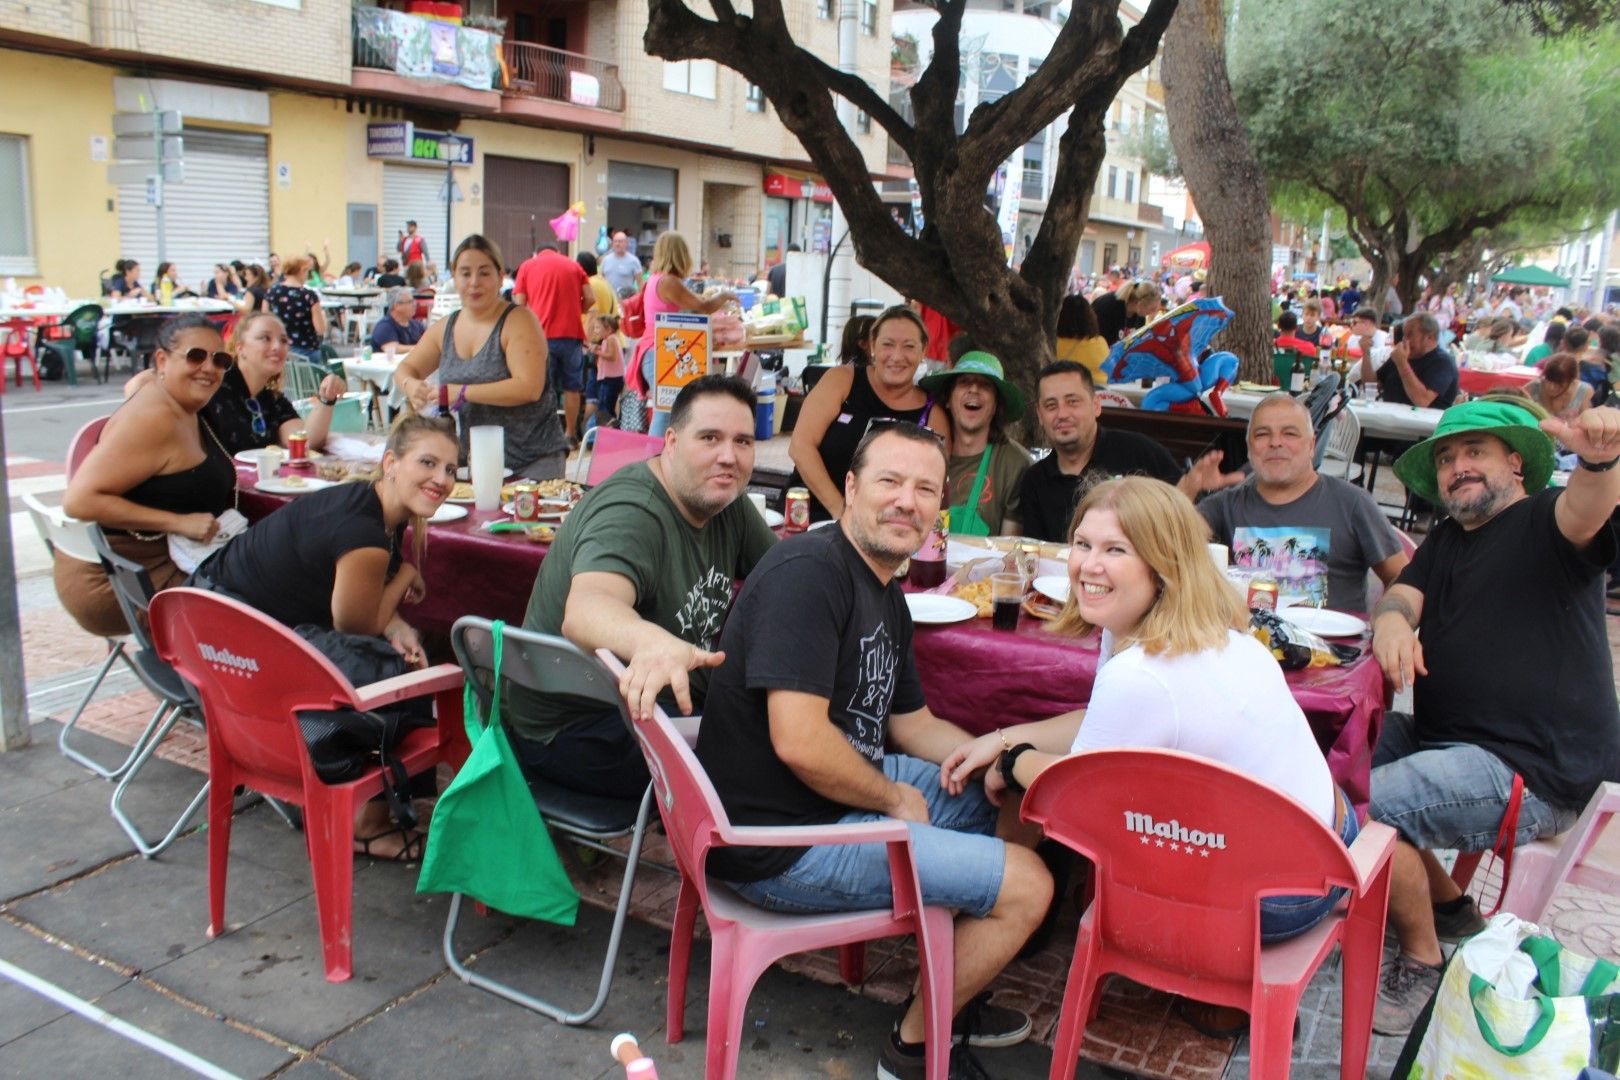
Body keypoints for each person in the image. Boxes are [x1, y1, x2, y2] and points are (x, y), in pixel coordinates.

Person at [941, 476, 1356, 1043]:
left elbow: (1072, 799)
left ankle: (981, 946)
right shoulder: (1209, 631)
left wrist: (1012, 761)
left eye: (1116, 550)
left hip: (1274, 901)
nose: (1088, 564)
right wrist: (1007, 734)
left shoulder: (1141, 672)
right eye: (1083, 544)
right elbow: (1103, 723)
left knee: (1024, 796)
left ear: (1164, 565)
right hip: (1329, 838)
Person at [696, 422, 1052, 1080]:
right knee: (1030, 887)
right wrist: (893, 799)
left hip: (829, 802)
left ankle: (952, 990)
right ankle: (912, 1051)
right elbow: (799, 741)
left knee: (1015, 802)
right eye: (889, 481)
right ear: (851, 488)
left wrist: (995, 759)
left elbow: (913, 723)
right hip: (780, 840)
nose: (906, 502)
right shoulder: (809, 574)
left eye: (923, 489)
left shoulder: (883, 589)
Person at [1367, 398, 1620, 1034]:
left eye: (1474, 452)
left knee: (1353, 807)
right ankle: (1450, 907)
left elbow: (1587, 509)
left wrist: (1601, 460)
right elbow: (1403, 591)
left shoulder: (1546, 520)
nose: (1457, 467)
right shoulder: (1451, 538)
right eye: (1447, 458)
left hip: (1528, 770)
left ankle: (1424, 955)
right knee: (1331, 758)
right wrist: (1393, 621)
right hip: (1444, 742)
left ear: (1516, 462)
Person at [194, 414, 459, 860]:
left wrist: (394, 620)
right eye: (428, 463)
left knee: (398, 651)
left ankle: (390, 800)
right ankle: (368, 824)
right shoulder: (367, 533)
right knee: (389, 671)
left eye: (451, 469)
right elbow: (354, 625)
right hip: (234, 660)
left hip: (212, 633)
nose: (441, 479)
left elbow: (361, 601)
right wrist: (407, 575)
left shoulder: (366, 501)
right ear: (391, 462)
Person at [508, 376, 776, 797]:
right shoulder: (632, 510)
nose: (729, 456)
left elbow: (784, 578)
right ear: (670, 441)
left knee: (793, 716)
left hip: (654, 706)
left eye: (743, 442)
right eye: (710, 438)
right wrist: (654, 643)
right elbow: (585, 611)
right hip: (577, 731)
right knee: (777, 756)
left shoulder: (726, 502)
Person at [59, 314, 237, 637]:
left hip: (155, 562)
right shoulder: (155, 418)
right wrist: (178, 521)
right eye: (196, 356)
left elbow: (140, 384)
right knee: (267, 596)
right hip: (120, 580)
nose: (209, 368)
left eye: (220, 360)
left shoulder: (179, 403)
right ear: (162, 360)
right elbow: (78, 501)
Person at [1199, 393, 1408, 610]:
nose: (1275, 442)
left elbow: (1404, 579)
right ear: (1249, 447)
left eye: (1290, 433)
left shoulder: (1352, 503)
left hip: (1334, 642)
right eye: (1262, 434)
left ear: (1311, 445)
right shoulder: (1225, 505)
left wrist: (1388, 619)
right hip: (1251, 642)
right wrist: (1189, 488)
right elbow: (1167, 543)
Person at [395, 235, 567, 480]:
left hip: (532, 462)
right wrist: (410, 384)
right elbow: (406, 368)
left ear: (499, 276)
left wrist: (462, 392)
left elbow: (529, 387)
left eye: (484, 273)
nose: (474, 282)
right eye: (465, 273)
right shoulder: (446, 327)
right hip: (473, 465)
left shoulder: (519, 321)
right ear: (454, 276)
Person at [1017, 361, 1240, 543]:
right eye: (1051, 406)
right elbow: (1037, 552)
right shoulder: (1035, 480)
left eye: (1072, 402)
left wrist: (1189, 491)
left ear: (1096, 405)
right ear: (1039, 415)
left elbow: (1184, 524)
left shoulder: (1139, 453)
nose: (1062, 414)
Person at [789, 305, 951, 522]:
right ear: (873, 345)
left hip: (885, 530)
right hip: (810, 517)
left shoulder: (931, 413)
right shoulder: (842, 381)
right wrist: (842, 513)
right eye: (888, 344)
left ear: (923, 351)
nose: (897, 356)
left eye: (909, 346)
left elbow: (933, 482)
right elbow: (800, 447)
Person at [122, 310, 348, 456]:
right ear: (239, 347)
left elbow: (305, 442)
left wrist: (326, 400)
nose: (277, 347)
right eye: (265, 338)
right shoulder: (213, 378)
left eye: (283, 341)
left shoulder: (270, 399)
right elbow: (138, 384)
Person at [622, 232, 738, 435]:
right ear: (680, 254)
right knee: (666, 411)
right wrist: (725, 295)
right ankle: (654, 459)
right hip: (660, 352)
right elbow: (703, 305)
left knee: (668, 410)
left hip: (654, 349)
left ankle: (661, 459)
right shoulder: (668, 282)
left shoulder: (655, 279)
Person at [918, 352, 1030, 536]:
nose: (974, 389)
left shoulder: (1015, 464)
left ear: (996, 404)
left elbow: (1009, 550)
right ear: (948, 399)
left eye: (985, 385)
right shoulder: (922, 455)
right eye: (964, 382)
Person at [513, 243, 594, 445]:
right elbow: (591, 298)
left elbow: (519, 304)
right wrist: (579, 309)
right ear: (558, 252)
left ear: (538, 252)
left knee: (541, 387)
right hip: (572, 334)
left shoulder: (527, 266)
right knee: (572, 387)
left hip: (541, 336)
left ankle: (543, 433)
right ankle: (570, 433)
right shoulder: (574, 266)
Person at [1374, 312, 1458, 408]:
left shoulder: (1443, 362)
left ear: (1429, 337)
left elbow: (1422, 401)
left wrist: (1402, 364)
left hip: (1424, 421)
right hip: (1388, 418)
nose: (1404, 340)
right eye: (1404, 335)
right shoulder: (1401, 356)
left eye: (1410, 335)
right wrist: (1366, 353)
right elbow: (1371, 384)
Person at [266, 256, 328, 362]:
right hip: (306, 351)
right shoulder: (309, 296)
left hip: (278, 350)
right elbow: (320, 329)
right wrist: (323, 316)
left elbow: (265, 321)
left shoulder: (271, 293)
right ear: (302, 270)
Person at [1053, 293, 1110, 381]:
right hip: (1100, 390)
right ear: (1090, 316)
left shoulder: (1054, 344)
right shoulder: (1100, 342)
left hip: (1068, 389)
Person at [1525, 354, 1592, 424]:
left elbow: (1586, 423)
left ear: (1571, 381)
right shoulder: (1533, 387)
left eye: (1559, 384)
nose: (1551, 387)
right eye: (1548, 380)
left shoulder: (1583, 391)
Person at [1091, 280, 1162, 345]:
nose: (1153, 312)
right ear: (1140, 304)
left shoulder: (1140, 317)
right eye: (1152, 309)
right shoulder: (1106, 306)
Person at [586, 312, 624, 429]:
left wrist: (597, 352)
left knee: (605, 410)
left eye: (598, 328)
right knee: (605, 408)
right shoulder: (607, 341)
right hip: (607, 379)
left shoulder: (611, 339)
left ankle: (611, 431)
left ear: (608, 329)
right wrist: (598, 348)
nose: (596, 330)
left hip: (610, 379)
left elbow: (612, 356)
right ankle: (610, 432)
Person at [369, 287, 427, 354]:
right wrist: (420, 348)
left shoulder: (416, 324)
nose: (415, 304)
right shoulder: (385, 326)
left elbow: (428, 341)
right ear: (396, 306)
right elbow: (392, 348)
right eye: (410, 302)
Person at [598, 229, 644, 298]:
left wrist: (636, 299)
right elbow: (600, 280)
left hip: (626, 301)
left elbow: (640, 283)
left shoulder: (634, 261)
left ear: (626, 243)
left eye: (620, 241)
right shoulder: (606, 260)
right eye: (615, 241)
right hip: (609, 300)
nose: (617, 244)